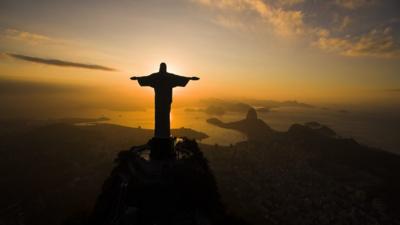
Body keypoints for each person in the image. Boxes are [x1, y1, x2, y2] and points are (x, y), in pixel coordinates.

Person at [131, 62, 199, 139]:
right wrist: (190, 78)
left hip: (159, 101)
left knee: (160, 117)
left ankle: (160, 135)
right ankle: (163, 135)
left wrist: (137, 78)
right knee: (164, 117)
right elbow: (179, 78)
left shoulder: (156, 77)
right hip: (165, 101)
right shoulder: (169, 77)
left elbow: (146, 78)